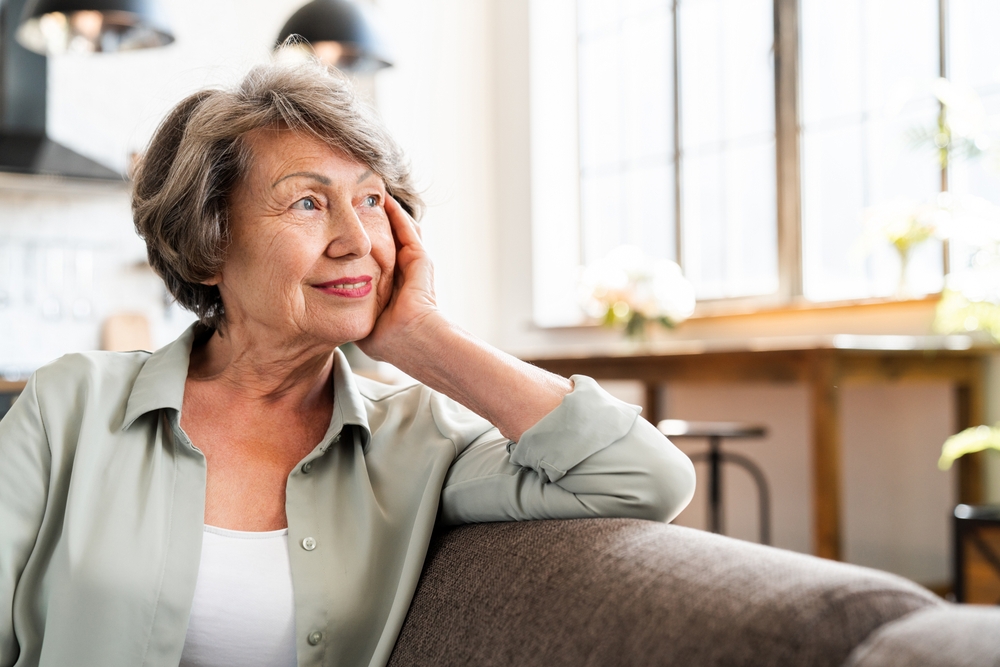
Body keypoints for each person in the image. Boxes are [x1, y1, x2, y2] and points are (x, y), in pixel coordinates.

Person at [0, 61, 695, 667]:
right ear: (209, 244)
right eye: (308, 202)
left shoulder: (422, 441)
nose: (356, 238)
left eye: (370, 199)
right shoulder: (70, 405)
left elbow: (647, 477)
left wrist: (424, 337)